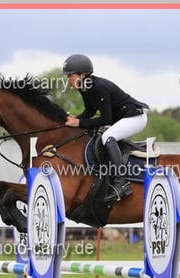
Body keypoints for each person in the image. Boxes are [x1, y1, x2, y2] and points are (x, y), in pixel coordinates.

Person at [63, 54, 149, 203]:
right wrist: (74, 119)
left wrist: (79, 123)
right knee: (101, 136)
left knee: (107, 137)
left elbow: (106, 120)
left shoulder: (98, 87)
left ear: (82, 74)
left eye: (70, 75)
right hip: (122, 118)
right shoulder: (84, 87)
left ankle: (121, 183)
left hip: (135, 118)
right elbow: (90, 111)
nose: (67, 79)